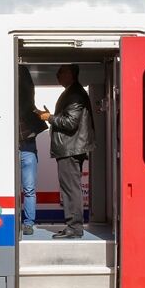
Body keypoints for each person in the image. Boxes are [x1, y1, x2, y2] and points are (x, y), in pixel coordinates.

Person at [38, 64, 94, 238]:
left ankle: (74, 227)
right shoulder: (73, 92)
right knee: (71, 188)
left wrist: (50, 118)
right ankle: (73, 226)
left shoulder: (75, 94)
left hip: (70, 148)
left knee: (70, 189)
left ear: (71, 74)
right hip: (70, 147)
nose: (57, 75)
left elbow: (70, 123)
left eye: (61, 72)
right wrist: (51, 118)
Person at [17, 65, 46, 235]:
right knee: (29, 189)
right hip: (27, 147)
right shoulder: (29, 108)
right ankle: (27, 224)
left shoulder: (18, 106)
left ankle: (27, 223)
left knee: (27, 189)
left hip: (24, 147)